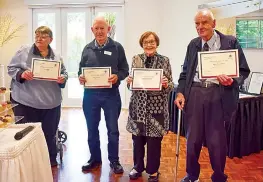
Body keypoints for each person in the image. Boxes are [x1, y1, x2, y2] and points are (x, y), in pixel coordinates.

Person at [174, 9, 250, 182]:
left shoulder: (230, 42)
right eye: (197, 23)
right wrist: (180, 92)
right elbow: (185, 72)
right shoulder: (193, 44)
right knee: (192, 140)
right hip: (195, 93)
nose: (200, 27)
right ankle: (192, 175)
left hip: (218, 94)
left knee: (216, 141)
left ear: (214, 24)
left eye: (204, 22)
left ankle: (219, 176)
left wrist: (232, 80)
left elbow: (243, 70)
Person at [7, 26, 68, 167]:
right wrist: (21, 74)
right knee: (26, 135)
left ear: (50, 39)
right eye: (37, 36)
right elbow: (11, 68)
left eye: (43, 36)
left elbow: (64, 73)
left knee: (49, 133)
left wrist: (62, 78)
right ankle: (26, 163)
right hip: (26, 101)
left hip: (51, 103)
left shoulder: (57, 56)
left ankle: (49, 159)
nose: (39, 39)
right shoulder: (23, 51)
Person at [78, 17, 129, 174]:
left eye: (102, 28)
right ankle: (95, 159)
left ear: (108, 30)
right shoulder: (87, 49)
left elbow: (125, 69)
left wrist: (117, 76)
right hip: (90, 95)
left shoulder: (117, 47)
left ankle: (114, 160)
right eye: (96, 28)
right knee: (92, 129)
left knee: (112, 129)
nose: (99, 31)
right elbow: (80, 69)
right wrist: (81, 76)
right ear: (92, 30)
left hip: (110, 95)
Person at [126, 31, 174, 182]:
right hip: (138, 107)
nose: (149, 44)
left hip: (156, 109)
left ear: (157, 43)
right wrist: (129, 82)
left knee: (154, 143)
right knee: (137, 141)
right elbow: (132, 85)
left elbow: (171, 85)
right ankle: (137, 167)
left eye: (152, 41)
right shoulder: (136, 59)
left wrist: (166, 84)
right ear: (142, 44)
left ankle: (153, 171)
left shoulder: (164, 60)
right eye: (146, 42)